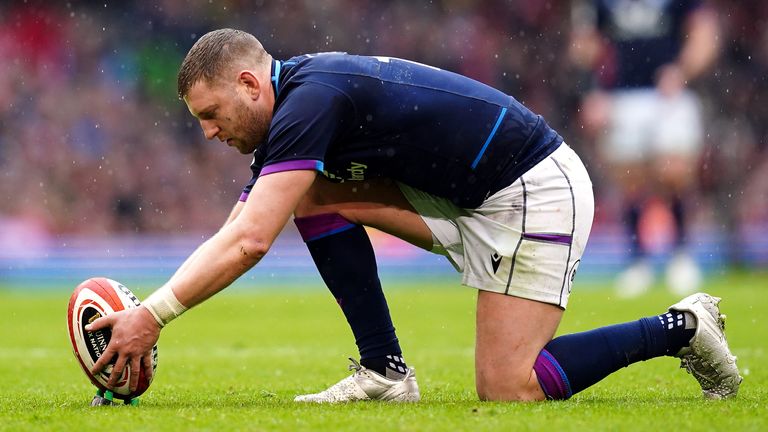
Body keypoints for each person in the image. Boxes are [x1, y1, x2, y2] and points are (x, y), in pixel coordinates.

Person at [86, 28, 741, 402]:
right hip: (467, 197)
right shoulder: (299, 108)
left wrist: (154, 315)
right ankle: (384, 371)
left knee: (511, 387)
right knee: (312, 195)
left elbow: (251, 241)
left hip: (532, 187)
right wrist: (152, 313)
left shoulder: (309, 103)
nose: (207, 132)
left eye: (211, 115)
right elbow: (241, 230)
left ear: (251, 85)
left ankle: (680, 327)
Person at [569, 0, 720, 297]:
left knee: (675, 173)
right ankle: (638, 259)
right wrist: (592, 91)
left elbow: (704, 33)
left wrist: (681, 70)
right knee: (630, 181)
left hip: (668, 93)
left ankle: (681, 254)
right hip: (622, 96)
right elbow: (585, 45)